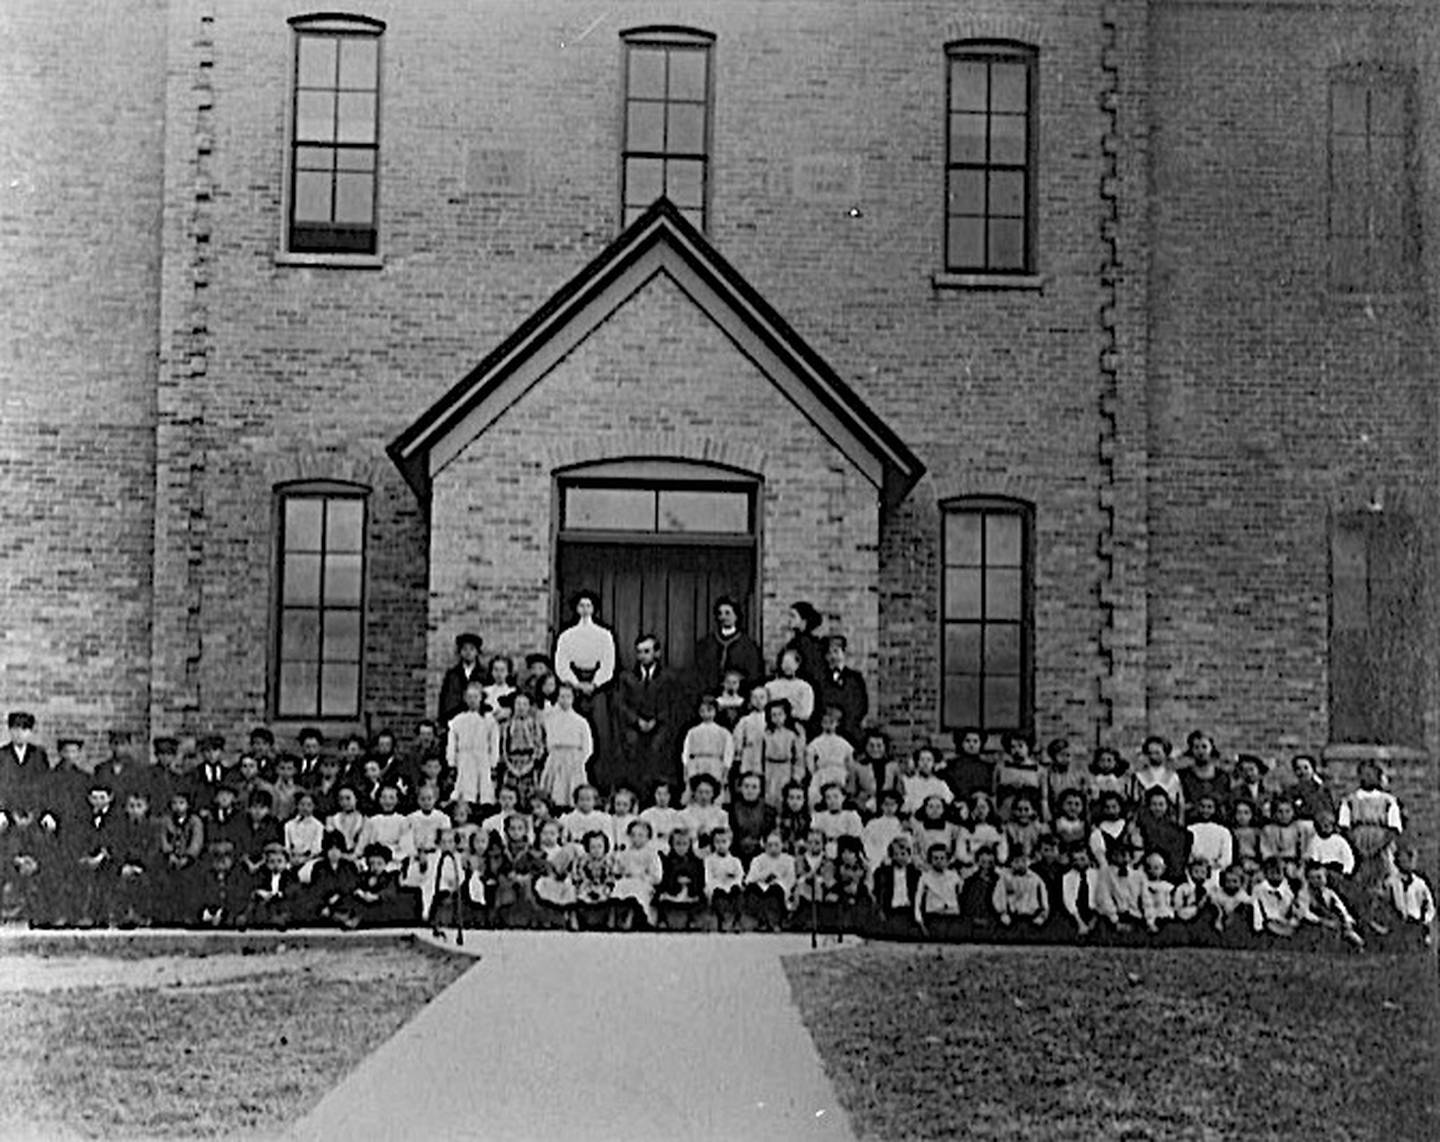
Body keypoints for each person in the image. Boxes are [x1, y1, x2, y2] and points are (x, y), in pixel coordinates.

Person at [615, 635, 682, 796]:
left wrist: (656, 720)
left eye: (647, 651)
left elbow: (673, 704)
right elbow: (620, 704)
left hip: (660, 726)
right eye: (639, 652)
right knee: (631, 753)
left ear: (657, 653)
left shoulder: (668, 677)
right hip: (633, 726)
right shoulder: (627, 677)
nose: (642, 656)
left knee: (657, 752)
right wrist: (636, 720)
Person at [693, 597, 764, 700]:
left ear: (736, 616)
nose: (723, 617)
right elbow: (700, 671)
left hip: (740, 697)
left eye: (727, 613)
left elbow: (753, 674)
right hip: (711, 697)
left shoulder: (748, 646)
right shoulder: (707, 643)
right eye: (720, 613)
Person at [447, 681, 499, 813]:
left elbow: (494, 743)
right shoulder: (457, 720)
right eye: (469, 697)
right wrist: (452, 762)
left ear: (481, 698)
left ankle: (483, 808)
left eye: (475, 697)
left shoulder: (489, 720)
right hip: (465, 759)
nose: (472, 700)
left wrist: (493, 763)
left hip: (482, 759)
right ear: (465, 698)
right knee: (465, 788)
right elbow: (452, 743)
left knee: (483, 788)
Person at [539, 682, 593, 809]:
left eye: (568, 696)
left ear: (573, 699)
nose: (565, 700)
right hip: (556, 757)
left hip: (574, 760)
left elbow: (587, 747)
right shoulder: (550, 718)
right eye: (562, 696)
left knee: (572, 792)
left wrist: (579, 761)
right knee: (554, 793)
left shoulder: (580, 721)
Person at [814, 636, 868, 743]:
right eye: (829, 653)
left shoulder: (855, 678)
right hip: (826, 732)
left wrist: (845, 721)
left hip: (850, 732)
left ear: (844, 653)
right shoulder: (819, 680)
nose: (832, 656)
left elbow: (861, 706)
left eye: (836, 651)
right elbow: (818, 705)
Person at [498, 690, 548, 807]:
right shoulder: (507, 725)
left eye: (524, 704)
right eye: (518, 704)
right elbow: (503, 747)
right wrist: (510, 765)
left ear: (529, 707)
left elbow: (539, 746)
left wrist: (531, 764)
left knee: (530, 794)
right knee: (510, 791)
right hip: (512, 762)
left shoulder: (535, 725)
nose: (521, 707)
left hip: (529, 762)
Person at [611, 819, 663, 929]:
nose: (636, 839)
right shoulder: (625, 853)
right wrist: (622, 872)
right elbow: (617, 870)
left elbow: (657, 876)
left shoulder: (651, 855)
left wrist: (643, 876)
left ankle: (636, 916)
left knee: (637, 890)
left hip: (643, 882)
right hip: (627, 881)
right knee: (619, 886)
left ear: (648, 838)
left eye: (640, 835)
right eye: (633, 835)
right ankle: (618, 917)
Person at [1382, 846, 1435, 950]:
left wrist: (1425, 919)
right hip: (1398, 924)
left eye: (1411, 860)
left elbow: (1429, 906)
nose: (1409, 863)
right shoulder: (1391, 883)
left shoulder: (1420, 884)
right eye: (1404, 860)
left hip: (1416, 923)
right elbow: (1385, 904)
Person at [681, 696, 734, 797]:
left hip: (715, 765)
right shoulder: (693, 732)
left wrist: (725, 771)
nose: (706, 714)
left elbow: (728, 753)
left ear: (715, 711)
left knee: (714, 793)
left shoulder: (723, 732)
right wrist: (686, 769)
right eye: (702, 711)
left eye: (709, 710)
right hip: (697, 765)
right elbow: (686, 752)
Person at [655, 826, 707, 930]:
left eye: (685, 844)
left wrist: (690, 881)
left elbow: (700, 878)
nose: (681, 847)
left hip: (690, 891)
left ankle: (692, 920)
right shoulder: (667, 861)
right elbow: (664, 878)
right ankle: (662, 919)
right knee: (661, 898)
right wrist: (675, 881)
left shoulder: (695, 862)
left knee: (700, 899)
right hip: (673, 891)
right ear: (672, 844)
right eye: (678, 844)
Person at [744, 831, 796, 932]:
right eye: (770, 845)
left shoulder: (788, 860)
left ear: (782, 845)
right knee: (754, 891)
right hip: (762, 887)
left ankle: (774, 922)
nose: (773, 848)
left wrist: (778, 879)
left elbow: (791, 879)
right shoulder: (758, 860)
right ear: (764, 845)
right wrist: (764, 876)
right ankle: (762, 921)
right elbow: (749, 879)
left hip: (780, 889)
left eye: (776, 845)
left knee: (775, 891)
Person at [805, 706, 853, 810]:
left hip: (839, 773)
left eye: (831, 722)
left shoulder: (843, 743)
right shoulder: (816, 742)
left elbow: (850, 761)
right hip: (823, 773)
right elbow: (810, 760)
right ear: (821, 724)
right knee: (814, 796)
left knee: (838, 797)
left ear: (837, 724)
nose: (828, 726)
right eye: (825, 722)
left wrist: (847, 773)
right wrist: (815, 773)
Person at [759, 700, 804, 811]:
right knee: (770, 794)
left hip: (785, 768)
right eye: (774, 715)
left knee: (784, 794)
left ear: (786, 716)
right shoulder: (766, 734)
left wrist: (797, 774)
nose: (777, 718)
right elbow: (759, 754)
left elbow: (798, 757)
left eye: (780, 715)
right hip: (770, 767)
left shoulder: (791, 735)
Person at [914, 841, 964, 941]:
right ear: (930, 860)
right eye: (935, 858)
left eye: (942, 858)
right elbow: (918, 900)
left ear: (947, 860)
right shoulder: (925, 877)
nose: (939, 861)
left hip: (952, 916)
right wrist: (919, 919)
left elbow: (960, 893)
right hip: (934, 916)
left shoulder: (954, 876)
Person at [993, 848, 1049, 936]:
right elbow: (999, 896)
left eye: (1023, 861)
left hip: (1032, 917)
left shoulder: (1036, 878)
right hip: (1012, 917)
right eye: (1016, 861)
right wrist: (1002, 913)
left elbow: (1044, 898)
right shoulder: (1005, 878)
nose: (1020, 864)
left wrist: (1042, 915)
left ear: (1029, 861)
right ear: (1011, 863)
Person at [571, 830, 618, 931]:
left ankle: (610, 922)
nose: (596, 850)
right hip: (586, 885)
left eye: (599, 846)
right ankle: (575, 921)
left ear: (605, 847)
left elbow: (611, 876)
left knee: (612, 894)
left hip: (604, 886)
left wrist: (605, 885)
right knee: (576, 894)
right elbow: (579, 875)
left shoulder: (609, 861)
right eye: (593, 847)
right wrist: (586, 883)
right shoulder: (582, 860)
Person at [728, 772, 776, 869]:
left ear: (760, 790)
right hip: (735, 854)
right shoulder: (731, 809)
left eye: (754, 787)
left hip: (761, 854)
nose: (750, 790)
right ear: (740, 788)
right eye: (746, 786)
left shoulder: (769, 811)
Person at [1129, 736, 1184, 822]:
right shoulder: (1139, 776)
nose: (1153, 756)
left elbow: (1179, 804)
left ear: (1165, 753)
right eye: (1150, 753)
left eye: (1157, 753)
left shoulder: (1173, 777)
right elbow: (1135, 803)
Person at [993, 732, 1043, 823]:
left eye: (1020, 746)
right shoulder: (1001, 767)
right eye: (1013, 747)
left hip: (1029, 811)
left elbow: (1044, 796)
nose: (1017, 750)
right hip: (1007, 810)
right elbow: (994, 792)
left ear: (1028, 747)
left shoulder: (1038, 769)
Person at [438, 632, 486, 728]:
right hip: (455, 720)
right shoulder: (452, 675)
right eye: (465, 649)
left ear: (477, 652)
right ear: (460, 652)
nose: (468, 652)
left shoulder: (484, 675)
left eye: (472, 649)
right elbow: (445, 699)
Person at [777, 600, 827, 689]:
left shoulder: (806, 644)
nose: (789, 620)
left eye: (793, 616)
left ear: (804, 621)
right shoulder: (795, 643)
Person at [704, 827, 745, 931]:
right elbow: (708, 878)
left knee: (737, 892)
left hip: (731, 886)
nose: (721, 845)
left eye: (724, 841)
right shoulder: (709, 860)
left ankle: (737, 920)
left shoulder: (735, 861)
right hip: (717, 887)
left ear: (730, 842)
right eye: (717, 842)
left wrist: (732, 882)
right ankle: (722, 920)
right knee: (718, 893)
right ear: (713, 843)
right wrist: (718, 884)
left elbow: (739, 876)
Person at [1185, 794, 1232, 883]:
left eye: (1209, 807)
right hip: (1193, 871)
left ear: (1215, 809)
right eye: (1202, 807)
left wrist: (1212, 866)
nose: (1205, 810)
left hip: (1215, 872)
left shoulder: (1223, 832)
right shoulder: (1190, 830)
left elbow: (1226, 858)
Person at [943, 726, 992, 807]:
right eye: (967, 741)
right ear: (961, 743)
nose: (971, 744)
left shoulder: (987, 767)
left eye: (975, 741)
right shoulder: (952, 765)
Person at [766, 648, 815, 729]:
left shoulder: (804, 687)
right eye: (785, 662)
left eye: (791, 663)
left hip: (796, 726)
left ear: (798, 664)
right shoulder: (770, 686)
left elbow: (806, 713)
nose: (787, 666)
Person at [900, 746, 952, 818]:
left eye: (929, 760)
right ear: (917, 762)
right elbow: (906, 805)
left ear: (934, 763)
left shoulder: (940, 784)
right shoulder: (909, 782)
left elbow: (947, 802)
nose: (925, 763)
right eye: (922, 760)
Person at [639, 780, 683, 852]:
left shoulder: (676, 815)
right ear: (654, 795)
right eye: (659, 794)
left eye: (665, 794)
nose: (662, 798)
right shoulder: (646, 815)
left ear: (670, 796)